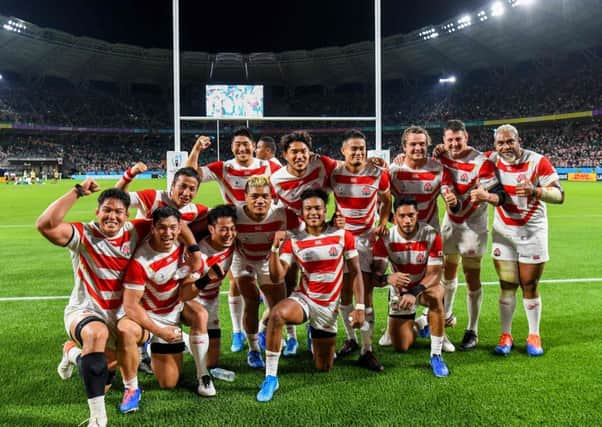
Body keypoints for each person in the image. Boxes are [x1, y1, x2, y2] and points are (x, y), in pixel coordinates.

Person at [36, 181, 151, 427]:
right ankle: (98, 418)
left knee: (104, 375)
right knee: (96, 335)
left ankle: (72, 352)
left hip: (122, 315)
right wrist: (77, 192)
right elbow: (45, 225)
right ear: (96, 212)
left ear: (127, 216)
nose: (112, 216)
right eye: (106, 210)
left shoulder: (137, 231)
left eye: (118, 211)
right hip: (85, 310)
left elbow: (172, 224)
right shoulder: (84, 234)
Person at [257, 188, 365, 402]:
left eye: (318, 208)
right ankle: (271, 377)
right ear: (302, 212)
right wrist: (275, 249)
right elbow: (278, 276)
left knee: (323, 366)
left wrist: (360, 307)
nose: (313, 212)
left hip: (329, 307)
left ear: (326, 210)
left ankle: (313, 332)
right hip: (305, 299)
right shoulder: (294, 240)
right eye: (308, 209)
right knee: (277, 315)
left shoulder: (343, 235)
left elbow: (356, 272)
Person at [185, 127, 281, 353]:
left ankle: (263, 330)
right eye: (237, 144)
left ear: (253, 145)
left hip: (261, 232)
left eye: (246, 144)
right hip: (234, 233)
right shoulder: (224, 167)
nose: (242, 148)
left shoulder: (270, 166)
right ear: (232, 147)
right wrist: (197, 149)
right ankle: (238, 332)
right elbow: (190, 174)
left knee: (272, 288)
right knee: (237, 285)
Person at [117, 207, 218, 414]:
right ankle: (145, 351)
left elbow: (185, 295)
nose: (168, 233)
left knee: (200, 314)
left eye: (173, 228)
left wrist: (194, 269)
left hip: (175, 308)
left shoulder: (185, 248)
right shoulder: (141, 261)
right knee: (165, 382)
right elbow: (131, 306)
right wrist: (160, 331)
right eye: (162, 228)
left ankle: (203, 374)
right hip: (150, 316)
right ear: (153, 228)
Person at [487, 124, 564, 356]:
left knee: (529, 285)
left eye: (510, 141)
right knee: (507, 286)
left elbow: (559, 195)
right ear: (495, 145)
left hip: (532, 233)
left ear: (519, 140)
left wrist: (536, 191)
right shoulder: (491, 161)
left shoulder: (538, 161)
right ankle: (506, 335)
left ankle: (533, 334)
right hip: (504, 234)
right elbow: (461, 157)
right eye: (501, 143)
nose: (506, 146)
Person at [380, 126, 458, 350]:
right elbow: (385, 198)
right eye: (413, 144)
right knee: (398, 276)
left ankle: (440, 334)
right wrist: (384, 222)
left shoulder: (437, 168)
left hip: (428, 233)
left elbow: (446, 190)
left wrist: (450, 197)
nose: (418, 148)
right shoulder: (394, 170)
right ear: (404, 147)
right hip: (400, 234)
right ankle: (390, 326)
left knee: (435, 279)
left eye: (422, 144)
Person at [436, 119, 506, 351]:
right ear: (444, 141)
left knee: (471, 276)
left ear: (466, 138)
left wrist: (484, 195)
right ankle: (446, 316)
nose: (454, 144)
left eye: (458, 139)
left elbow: (496, 193)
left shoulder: (481, 162)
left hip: (473, 227)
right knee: (448, 270)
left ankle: (472, 329)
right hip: (450, 224)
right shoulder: (442, 157)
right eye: (450, 140)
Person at [269, 130, 339, 352]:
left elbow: (346, 174)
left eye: (303, 151)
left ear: (310, 152)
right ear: (284, 155)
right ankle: (291, 337)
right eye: (294, 152)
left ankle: (315, 328)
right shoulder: (276, 179)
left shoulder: (322, 165)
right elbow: (276, 206)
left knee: (321, 279)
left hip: (320, 232)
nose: (299, 156)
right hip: (294, 235)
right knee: (288, 281)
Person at [331, 129, 391, 372]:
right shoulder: (334, 172)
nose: (358, 152)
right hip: (341, 238)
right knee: (344, 295)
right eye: (353, 148)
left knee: (364, 296)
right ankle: (351, 339)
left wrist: (383, 222)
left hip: (366, 239)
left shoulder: (377, 173)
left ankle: (367, 350)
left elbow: (387, 200)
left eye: (362, 148)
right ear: (343, 151)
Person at [372, 197, 450, 377]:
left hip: (424, 288)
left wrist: (415, 292)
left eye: (411, 215)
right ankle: (421, 323)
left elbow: (435, 273)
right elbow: (374, 277)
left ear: (418, 215)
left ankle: (436, 355)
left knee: (436, 295)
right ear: (395, 218)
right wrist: (388, 278)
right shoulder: (386, 239)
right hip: (400, 292)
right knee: (401, 346)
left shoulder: (431, 234)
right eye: (402, 216)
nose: (407, 220)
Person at [232, 175, 302, 368]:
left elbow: (305, 232)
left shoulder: (282, 214)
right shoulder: (234, 214)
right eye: (254, 196)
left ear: (272, 197)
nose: (260, 201)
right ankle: (253, 350)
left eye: (265, 196)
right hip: (244, 259)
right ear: (244, 197)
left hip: (269, 257)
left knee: (278, 307)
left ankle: (278, 335)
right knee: (251, 301)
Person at [189, 204, 237, 368]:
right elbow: (185, 292)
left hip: (212, 300)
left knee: (212, 363)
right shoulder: (199, 256)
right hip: (190, 300)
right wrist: (208, 277)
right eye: (223, 229)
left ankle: (192, 345)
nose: (229, 234)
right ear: (211, 229)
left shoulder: (232, 243)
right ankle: (178, 339)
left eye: (232, 229)